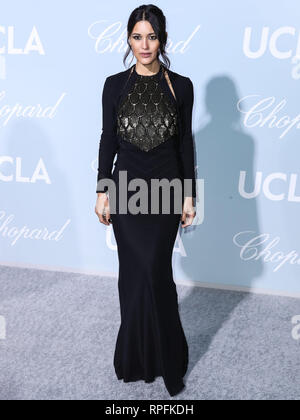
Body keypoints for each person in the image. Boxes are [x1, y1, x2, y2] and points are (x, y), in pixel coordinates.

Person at [95, 4, 196, 397]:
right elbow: (108, 139)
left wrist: (189, 194)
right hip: (127, 190)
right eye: (137, 37)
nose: (145, 45)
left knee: (156, 273)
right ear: (128, 40)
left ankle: (168, 356)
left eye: (152, 36)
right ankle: (134, 357)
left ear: (163, 39)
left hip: (166, 191)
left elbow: (185, 142)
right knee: (133, 277)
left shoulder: (181, 85)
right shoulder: (113, 85)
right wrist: (103, 190)